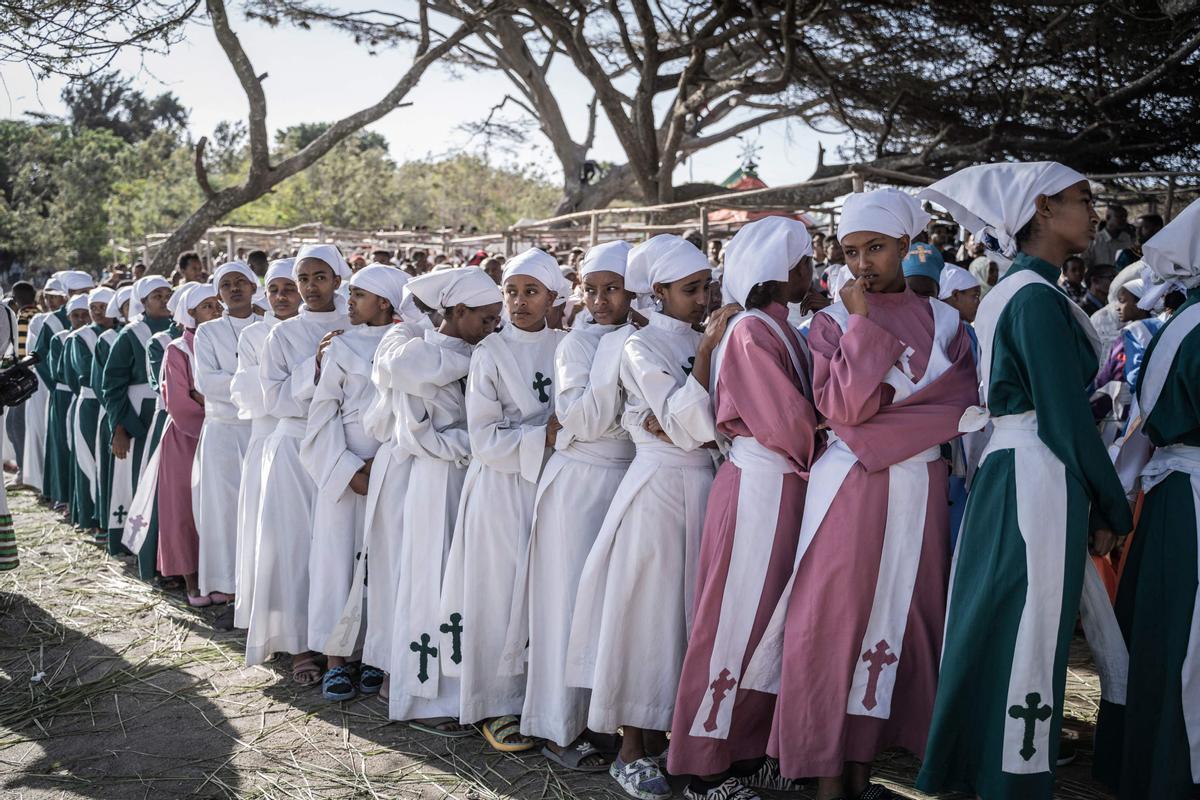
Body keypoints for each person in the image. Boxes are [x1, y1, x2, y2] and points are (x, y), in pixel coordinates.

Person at [740, 190, 976, 800]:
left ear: (906, 246)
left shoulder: (947, 322)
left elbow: (961, 406)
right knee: (831, 622)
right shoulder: (834, 321)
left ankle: (862, 769)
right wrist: (865, 329)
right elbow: (841, 408)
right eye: (851, 251)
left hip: (914, 490)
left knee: (899, 619)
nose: (863, 262)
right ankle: (823, 781)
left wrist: (878, 419)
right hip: (847, 488)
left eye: (875, 248)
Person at [916, 161, 1133, 800]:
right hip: (1038, 471)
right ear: (1041, 209)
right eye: (1082, 198)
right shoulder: (1035, 298)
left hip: (1016, 468)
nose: (1093, 213)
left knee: (1001, 617)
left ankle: (982, 764)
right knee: (1031, 622)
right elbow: (1063, 416)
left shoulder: (1018, 290)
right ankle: (1011, 773)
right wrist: (1112, 507)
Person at [668, 217, 820, 800]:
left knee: (767, 625)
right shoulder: (752, 330)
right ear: (783, 271)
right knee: (732, 623)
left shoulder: (783, 327)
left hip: (783, 486)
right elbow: (785, 422)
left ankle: (748, 752)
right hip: (760, 484)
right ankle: (703, 767)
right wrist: (834, 441)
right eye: (805, 261)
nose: (812, 270)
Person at [566, 234, 720, 800]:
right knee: (648, 616)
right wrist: (699, 377)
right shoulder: (640, 347)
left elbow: (710, 422)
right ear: (657, 292)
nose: (703, 299)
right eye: (690, 289)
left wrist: (689, 417)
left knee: (691, 614)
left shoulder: (709, 337)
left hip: (707, 488)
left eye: (706, 286)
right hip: (657, 492)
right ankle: (631, 746)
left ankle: (681, 737)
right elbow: (691, 424)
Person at [498, 241, 637, 768]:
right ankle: (559, 727)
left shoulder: (643, 338)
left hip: (631, 481)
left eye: (613, 289)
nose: (600, 300)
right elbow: (583, 420)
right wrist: (625, 350)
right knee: (564, 606)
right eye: (591, 289)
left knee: (613, 611)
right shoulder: (575, 346)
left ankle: (605, 721)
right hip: (579, 486)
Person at [1093, 198, 1200, 800]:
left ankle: (1145, 763)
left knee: (1166, 639)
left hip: (1174, 496)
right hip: (1190, 501)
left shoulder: (1181, 324)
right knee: (1182, 647)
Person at [438, 248, 565, 751]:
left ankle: (541, 698)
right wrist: (547, 436)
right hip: (501, 487)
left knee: (542, 592)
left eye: (531, 292)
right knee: (496, 591)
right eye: (511, 291)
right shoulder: (490, 353)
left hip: (554, 484)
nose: (518, 302)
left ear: (554, 296)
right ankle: (493, 703)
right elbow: (485, 439)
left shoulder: (568, 346)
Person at [301, 265, 410, 702]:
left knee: (384, 564)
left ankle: (375, 655)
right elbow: (322, 414)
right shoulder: (340, 348)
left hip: (392, 467)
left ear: (384, 301)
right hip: (344, 470)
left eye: (359, 294)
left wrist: (380, 466)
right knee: (336, 562)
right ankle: (335, 659)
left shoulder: (406, 345)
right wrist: (348, 468)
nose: (349, 300)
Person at [245, 245, 350, 684]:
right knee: (293, 549)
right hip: (293, 447)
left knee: (338, 549)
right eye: (303, 278)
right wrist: (317, 364)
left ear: (338, 280)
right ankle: (299, 646)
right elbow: (275, 399)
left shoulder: (354, 324)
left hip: (342, 447)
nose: (309, 287)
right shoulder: (282, 336)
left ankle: (341, 645)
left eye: (318, 277)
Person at [229, 260, 299, 631]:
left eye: (289, 288)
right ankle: (281, 630)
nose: (281, 296)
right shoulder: (254, 336)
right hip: (269, 442)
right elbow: (251, 394)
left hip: (313, 444)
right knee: (275, 541)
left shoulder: (327, 331)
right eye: (274, 289)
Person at [192, 262, 261, 605]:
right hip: (222, 430)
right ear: (218, 295)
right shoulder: (208, 332)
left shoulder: (268, 327)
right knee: (223, 508)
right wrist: (256, 385)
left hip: (259, 429)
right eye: (226, 285)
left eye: (240, 283)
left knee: (258, 506)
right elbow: (207, 383)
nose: (234, 289)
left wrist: (245, 385)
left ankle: (256, 576)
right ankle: (226, 581)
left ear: (252, 287)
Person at [100, 276, 175, 576]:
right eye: (157, 295)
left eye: (168, 294)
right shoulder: (131, 334)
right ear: (143, 301)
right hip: (139, 413)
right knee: (140, 480)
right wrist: (119, 427)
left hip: (167, 409)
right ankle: (138, 546)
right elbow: (112, 383)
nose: (165, 299)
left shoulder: (176, 330)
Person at [157, 284, 223, 605]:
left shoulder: (226, 340)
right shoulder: (178, 350)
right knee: (184, 508)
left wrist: (210, 402)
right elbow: (181, 403)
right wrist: (213, 411)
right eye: (208, 306)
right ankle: (192, 579)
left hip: (223, 434)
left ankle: (220, 575)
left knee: (217, 507)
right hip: (188, 438)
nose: (217, 310)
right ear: (191, 313)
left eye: (217, 304)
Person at [64, 287, 117, 542]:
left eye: (102, 306)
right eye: (93, 307)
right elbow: (80, 375)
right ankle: (92, 518)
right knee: (89, 459)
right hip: (91, 404)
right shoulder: (80, 337)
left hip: (114, 403)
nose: (96, 311)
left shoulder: (120, 333)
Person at [39, 271, 95, 507]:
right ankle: (62, 494)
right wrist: (58, 389)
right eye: (78, 293)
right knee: (63, 444)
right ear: (68, 294)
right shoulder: (53, 321)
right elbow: (42, 360)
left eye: (87, 292)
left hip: (84, 393)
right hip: (63, 392)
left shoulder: (95, 315)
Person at [22, 275, 68, 496]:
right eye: (49, 296)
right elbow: (37, 355)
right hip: (42, 383)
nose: (51, 301)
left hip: (57, 386)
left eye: (57, 297)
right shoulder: (40, 320)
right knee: (40, 428)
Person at [49, 294, 93, 515]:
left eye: (85, 314)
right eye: (76, 315)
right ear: (68, 317)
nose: (81, 319)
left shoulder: (94, 336)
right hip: (66, 396)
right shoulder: (61, 338)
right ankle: (63, 496)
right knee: (64, 447)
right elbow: (57, 372)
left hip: (82, 398)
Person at [6, 280, 38, 484]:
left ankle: (24, 470)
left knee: (16, 424)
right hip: (27, 374)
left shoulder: (25, 316)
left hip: (24, 376)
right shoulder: (35, 312)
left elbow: (20, 350)